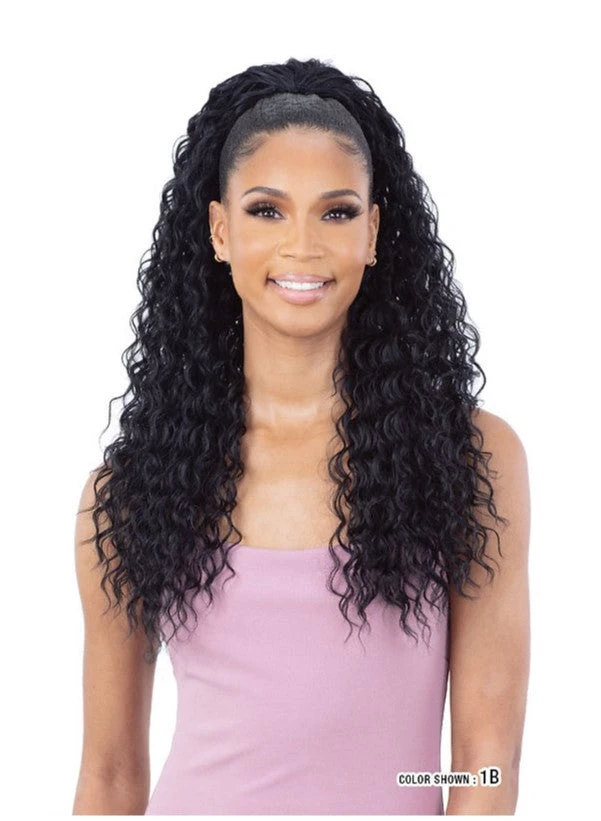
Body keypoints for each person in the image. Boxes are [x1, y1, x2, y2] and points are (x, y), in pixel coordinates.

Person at [72, 57, 530, 816]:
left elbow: (485, 764)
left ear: (373, 231)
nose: (303, 247)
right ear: (220, 230)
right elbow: (110, 775)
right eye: (267, 210)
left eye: (336, 212)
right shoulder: (133, 490)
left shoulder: (468, 459)